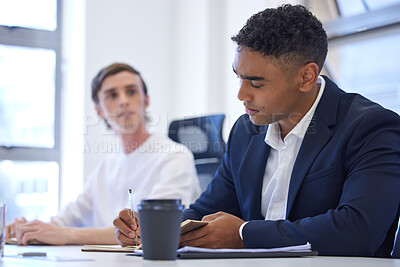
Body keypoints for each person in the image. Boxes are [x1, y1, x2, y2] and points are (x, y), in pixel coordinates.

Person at [113, 5, 400, 257]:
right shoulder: (245, 132)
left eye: (256, 83)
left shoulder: (371, 127)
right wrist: (154, 228)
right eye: (238, 76)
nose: (241, 94)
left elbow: (359, 229)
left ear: (306, 77)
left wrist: (244, 234)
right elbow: (205, 212)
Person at [6, 63, 201, 245]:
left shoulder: (175, 157)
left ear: (146, 100)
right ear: (99, 110)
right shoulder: (106, 167)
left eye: (131, 92)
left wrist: (66, 235)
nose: (123, 101)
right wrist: (27, 228)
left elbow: (154, 229)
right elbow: (65, 219)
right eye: (112, 95)